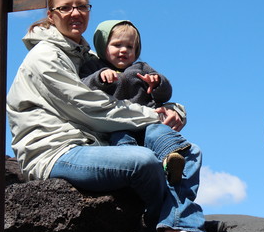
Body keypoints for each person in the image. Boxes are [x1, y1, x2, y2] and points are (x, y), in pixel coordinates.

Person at [6, 0, 230, 232]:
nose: (75, 13)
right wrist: (154, 115)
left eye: (82, 6)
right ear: (51, 15)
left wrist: (174, 109)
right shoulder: (45, 57)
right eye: (65, 8)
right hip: (54, 151)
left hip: (89, 142)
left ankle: (179, 223)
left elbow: (136, 95)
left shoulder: (84, 56)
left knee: (183, 153)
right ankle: (172, 227)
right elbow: (91, 108)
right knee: (142, 161)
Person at [79, 20, 189, 186]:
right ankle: (136, 170)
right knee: (121, 141)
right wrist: (99, 78)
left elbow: (166, 94)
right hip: (117, 124)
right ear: (103, 47)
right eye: (117, 45)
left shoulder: (141, 67)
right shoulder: (94, 67)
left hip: (146, 120)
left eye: (130, 47)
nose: (124, 50)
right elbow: (82, 86)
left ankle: (171, 159)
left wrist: (157, 82)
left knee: (159, 133)